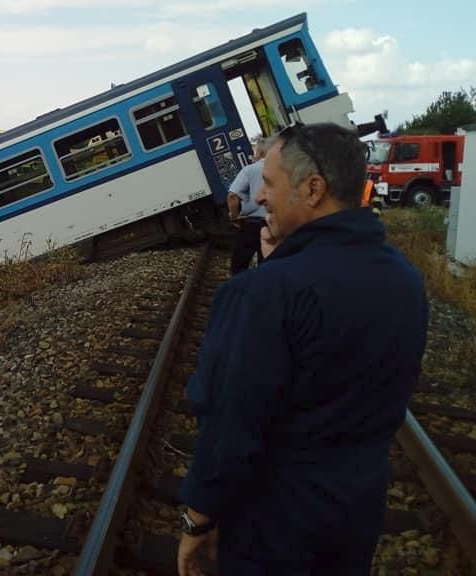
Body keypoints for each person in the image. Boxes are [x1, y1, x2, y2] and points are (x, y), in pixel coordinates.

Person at [177, 122, 428, 576]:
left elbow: (232, 424)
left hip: (273, 528)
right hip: (355, 518)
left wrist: (198, 519)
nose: (260, 198)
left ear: (313, 189)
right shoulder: (404, 279)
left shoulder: (263, 293)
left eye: (270, 184)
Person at [226, 139, 269, 275]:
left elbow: (232, 196)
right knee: (267, 266)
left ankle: (245, 293)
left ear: (260, 152)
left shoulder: (249, 170)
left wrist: (234, 216)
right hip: (274, 225)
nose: (252, 155)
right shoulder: (281, 168)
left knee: (238, 267)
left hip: (251, 224)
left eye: (254, 151)